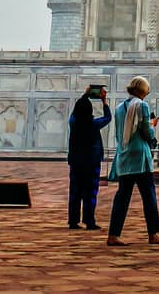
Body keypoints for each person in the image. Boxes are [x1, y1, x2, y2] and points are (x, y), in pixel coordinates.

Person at [107, 76, 159, 246]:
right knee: (149, 197)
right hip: (140, 157)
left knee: (122, 197)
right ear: (143, 90)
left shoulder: (120, 108)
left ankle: (113, 235)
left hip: (125, 156)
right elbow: (146, 132)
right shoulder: (142, 105)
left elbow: (121, 131)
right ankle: (153, 234)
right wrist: (152, 126)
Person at [67, 85, 112, 230]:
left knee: (75, 191)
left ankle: (73, 221)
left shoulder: (73, 123)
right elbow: (107, 118)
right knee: (90, 192)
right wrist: (104, 101)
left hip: (76, 162)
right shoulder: (93, 124)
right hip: (91, 163)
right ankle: (89, 221)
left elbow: (74, 113)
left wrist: (84, 95)